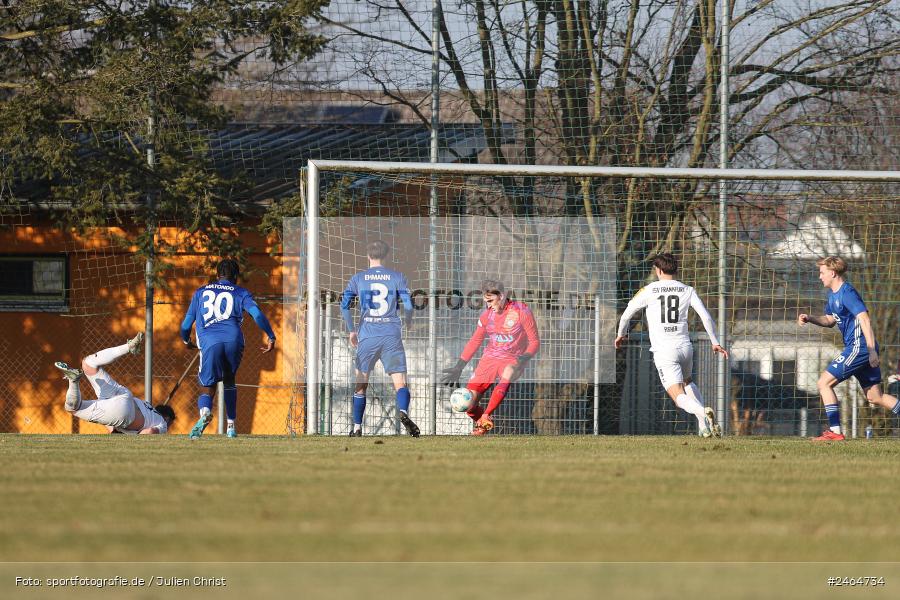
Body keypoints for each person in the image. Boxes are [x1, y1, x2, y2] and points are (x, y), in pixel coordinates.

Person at [614, 253, 728, 437]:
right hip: (685, 347)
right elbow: (706, 317)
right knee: (688, 382)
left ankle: (702, 413)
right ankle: (703, 426)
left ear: (658, 270)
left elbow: (627, 313)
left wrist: (621, 334)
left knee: (678, 397)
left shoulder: (649, 290)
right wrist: (715, 342)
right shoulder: (687, 290)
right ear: (676, 270)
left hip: (664, 351)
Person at [798, 256, 900, 441]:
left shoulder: (847, 292)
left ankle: (835, 432)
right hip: (860, 348)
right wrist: (810, 318)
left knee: (824, 383)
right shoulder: (833, 295)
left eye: (822, 273)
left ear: (832, 273)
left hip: (859, 347)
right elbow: (829, 320)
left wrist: (871, 350)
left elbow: (864, 319)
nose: (820, 277)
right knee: (875, 397)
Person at [180, 259, 275, 439]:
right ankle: (231, 427)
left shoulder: (200, 292)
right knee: (229, 380)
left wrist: (186, 340)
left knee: (206, 384)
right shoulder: (241, 292)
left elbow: (185, 325)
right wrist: (270, 335)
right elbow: (257, 314)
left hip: (210, 341)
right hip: (234, 340)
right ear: (236, 277)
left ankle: (205, 412)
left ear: (217, 275)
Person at [440, 279, 540, 436]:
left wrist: (525, 357)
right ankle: (483, 424)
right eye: (486, 301)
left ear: (501, 296)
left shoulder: (522, 311)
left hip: (513, 358)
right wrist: (459, 366)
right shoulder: (486, 316)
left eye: (491, 301)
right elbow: (475, 341)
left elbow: (534, 341)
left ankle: (486, 415)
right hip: (489, 359)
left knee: (508, 371)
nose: (488, 305)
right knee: (468, 404)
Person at [340, 240, 419, 437]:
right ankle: (403, 412)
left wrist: (351, 330)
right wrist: (408, 321)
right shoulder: (397, 277)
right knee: (400, 382)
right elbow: (409, 305)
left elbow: (344, 306)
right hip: (391, 335)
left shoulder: (358, 278)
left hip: (367, 335)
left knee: (361, 384)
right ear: (387, 256)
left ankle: (357, 427)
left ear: (368, 256)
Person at [54, 332, 176, 434]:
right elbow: (149, 432)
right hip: (125, 412)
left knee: (88, 363)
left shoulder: (147, 405)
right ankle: (73, 380)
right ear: (167, 418)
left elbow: (112, 423)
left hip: (123, 395)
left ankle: (129, 347)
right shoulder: (162, 423)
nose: (168, 427)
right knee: (73, 408)